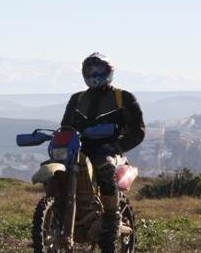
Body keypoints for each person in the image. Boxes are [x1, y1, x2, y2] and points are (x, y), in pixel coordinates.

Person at [60, 52, 145, 233]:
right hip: (80, 149)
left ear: (109, 71)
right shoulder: (77, 99)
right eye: (90, 70)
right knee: (60, 168)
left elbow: (138, 131)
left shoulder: (123, 97)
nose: (94, 74)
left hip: (109, 150)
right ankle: (59, 210)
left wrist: (118, 146)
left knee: (105, 168)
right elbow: (66, 127)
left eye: (99, 69)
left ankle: (111, 217)